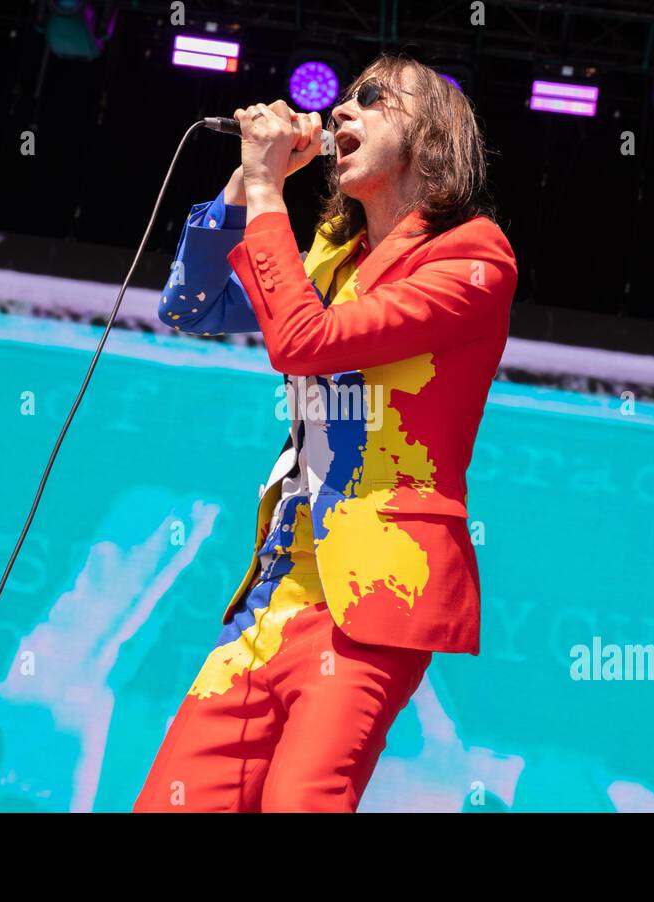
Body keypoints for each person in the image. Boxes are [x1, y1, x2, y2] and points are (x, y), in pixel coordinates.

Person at [133, 51, 517, 813]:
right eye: (342, 99)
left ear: (431, 137)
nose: (342, 110)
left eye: (371, 99)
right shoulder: (331, 256)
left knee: (303, 801)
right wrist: (246, 182)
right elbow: (187, 305)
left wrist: (274, 186)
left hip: (371, 595)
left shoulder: (473, 257)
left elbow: (302, 340)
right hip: (271, 597)